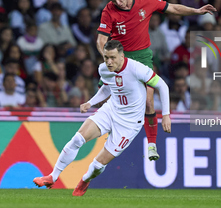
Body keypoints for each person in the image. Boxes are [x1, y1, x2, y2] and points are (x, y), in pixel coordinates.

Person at [96, 0, 216, 160]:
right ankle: (111, 130)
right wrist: (108, 59)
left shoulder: (146, 1)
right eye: (115, 1)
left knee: (149, 102)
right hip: (120, 58)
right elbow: (101, 40)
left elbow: (173, 8)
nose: (118, 3)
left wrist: (196, 11)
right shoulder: (109, 11)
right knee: (104, 98)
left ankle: (151, 145)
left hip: (142, 57)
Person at [33, 40, 171, 196]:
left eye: (112, 57)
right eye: (106, 57)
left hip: (130, 124)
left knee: (98, 165)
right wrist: (90, 102)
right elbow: (107, 88)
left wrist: (165, 115)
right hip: (111, 110)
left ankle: (85, 179)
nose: (109, 62)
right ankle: (52, 176)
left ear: (121, 56)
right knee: (78, 139)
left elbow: (162, 86)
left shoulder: (137, 69)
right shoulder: (104, 69)